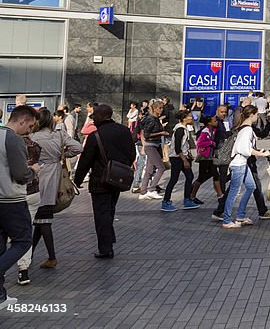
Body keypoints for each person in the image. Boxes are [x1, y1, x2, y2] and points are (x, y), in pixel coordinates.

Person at [0, 105, 42, 309]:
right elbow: (21, 175)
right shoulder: (13, 139)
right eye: (29, 125)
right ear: (21, 121)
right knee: (23, 241)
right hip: (11, 200)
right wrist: (34, 170)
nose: (30, 130)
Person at [21, 108, 82, 275]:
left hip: (38, 176)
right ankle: (33, 253)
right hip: (55, 176)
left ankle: (51, 256)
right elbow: (78, 147)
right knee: (42, 218)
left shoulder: (33, 137)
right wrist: (63, 154)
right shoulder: (59, 134)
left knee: (43, 219)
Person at [73, 104, 136, 260]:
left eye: (94, 116)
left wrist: (77, 181)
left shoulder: (96, 135)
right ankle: (109, 237)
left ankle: (105, 248)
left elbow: (85, 161)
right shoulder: (124, 131)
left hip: (100, 180)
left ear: (102, 116)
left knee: (101, 213)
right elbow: (132, 154)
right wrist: (123, 167)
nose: (93, 119)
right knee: (110, 209)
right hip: (118, 177)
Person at [220, 105, 269, 228]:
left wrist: (257, 151)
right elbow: (244, 149)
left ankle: (241, 215)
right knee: (233, 191)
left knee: (251, 186)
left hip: (242, 163)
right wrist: (261, 153)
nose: (258, 117)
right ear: (252, 115)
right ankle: (226, 219)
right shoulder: (247, 130)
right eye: (257, 115)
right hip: (239, 164)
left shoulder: (244, 128)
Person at [161, 111, 198, 212]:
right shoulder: (180, 130)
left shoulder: (184, 129)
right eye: (190, 116)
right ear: (184, 118)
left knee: (190, 176)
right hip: (177, 158)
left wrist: (188, 154)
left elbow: (183, 145)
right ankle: (166, 201)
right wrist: (184, 159)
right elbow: (177, 148)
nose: (191, 118)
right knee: (174, 179)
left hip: (182, 156)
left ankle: (187, 199)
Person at [137, 101, 168, 199]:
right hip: (151, 146)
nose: (161, 109)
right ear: (154, 108)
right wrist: (161, 133)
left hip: (152, 145)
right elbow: (146, 134)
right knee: (161, 167)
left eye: (162, 108)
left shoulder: (154, 119)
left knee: (149, 169)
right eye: (159, 108)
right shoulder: (152, 119)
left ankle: (143, 192)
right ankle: (152, 189)